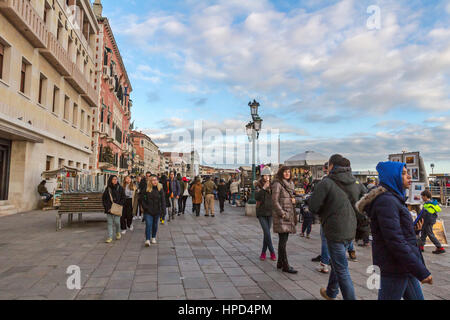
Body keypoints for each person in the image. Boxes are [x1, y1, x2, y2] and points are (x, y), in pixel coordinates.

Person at [356, 161, 433, 300]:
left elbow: (397, 232)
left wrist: (413, 230)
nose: (409, 177)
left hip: (404, 264)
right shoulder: (387, 201)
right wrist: (420, 270)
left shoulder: (394, 199)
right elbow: (394, 241)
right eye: (403, 174)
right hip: (394, 266)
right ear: (393, 177)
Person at [310, 154, 363, 300]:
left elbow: (313, 206)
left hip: (334, 230)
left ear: (332, 166)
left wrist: (325, 210)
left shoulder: (326, 183)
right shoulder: (356, 183)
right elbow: (365, 202)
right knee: (338, 262)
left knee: (342, 269)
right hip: (350, 229)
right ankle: (331, 292)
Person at [272, 166, 298, 274]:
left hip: (289, 215)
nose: (287, 173)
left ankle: (280, 262)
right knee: (283, 241)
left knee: (283, 240)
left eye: (289, 172)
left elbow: (290, 198)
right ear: (281, 173)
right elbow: (274, 201)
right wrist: (282, 214)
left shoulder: (290, 184)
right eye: (285, 172)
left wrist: (293, 201)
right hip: (282, 216)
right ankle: (285, 265)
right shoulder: (277, 184)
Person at [255, 168, 276, 262]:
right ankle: (272, 252)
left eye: (269, 176)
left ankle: (263, 253)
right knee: (267, 232)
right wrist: (264, 188)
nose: (267, 177)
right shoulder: (258, 185)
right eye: (265, 175)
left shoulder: (273, 185)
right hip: (261, 212)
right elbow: (257, 197)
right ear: (262, 176)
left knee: (266, 234)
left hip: (270, 212)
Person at [418, 190, 446, 254]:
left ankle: (439, 247)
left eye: (422, 196)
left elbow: (426, 215)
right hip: (427, 221)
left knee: (430, 234)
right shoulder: (432, 203)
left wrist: (422, 221)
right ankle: (421, 246)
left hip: (427, 222)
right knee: (423, 233)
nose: (422, 198)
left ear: (425, 196)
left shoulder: (428, 205)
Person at [141, 175, 166, 247]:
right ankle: (147, 239)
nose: (155, 181)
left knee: (155, 225)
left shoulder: (160, 189)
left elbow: (163, 201)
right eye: (153, 180)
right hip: (148, 211)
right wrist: (145, 207)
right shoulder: (146, 189)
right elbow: (142, 199)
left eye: (156, 180)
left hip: (157, 210)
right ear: (150, 181)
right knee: (148, 224)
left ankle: (153, 237)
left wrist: (163, 211)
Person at [102, 175, 125, 243]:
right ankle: (110, 237)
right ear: (110, 180)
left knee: (117, 222)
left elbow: (123, 197)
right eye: (113, 179)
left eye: (116, 179)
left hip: (117, 208)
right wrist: (107, 208)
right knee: (109, 223)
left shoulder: (120, 188)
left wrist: (119, 204)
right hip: (109, 209)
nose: (115, 180)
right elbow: (104, 199)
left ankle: (118, 232)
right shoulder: (108, 189)